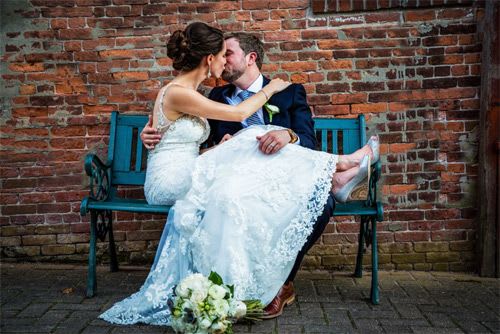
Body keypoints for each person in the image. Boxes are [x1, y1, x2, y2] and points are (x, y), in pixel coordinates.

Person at [100, 22, 379, 327]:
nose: (224, 60)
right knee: (251, 138)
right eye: (221, 54)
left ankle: (281, 282)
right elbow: (202, 131)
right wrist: (155, 137)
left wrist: (289, 136)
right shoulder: (213, 97)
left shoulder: (290, 93)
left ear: (251, 58)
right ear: (209, 58)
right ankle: (338, 170)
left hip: (274, 180)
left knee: (315, 199)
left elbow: (306, 141)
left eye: (229, 53)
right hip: (225, 183)